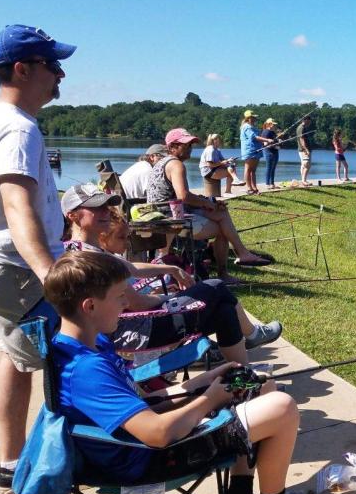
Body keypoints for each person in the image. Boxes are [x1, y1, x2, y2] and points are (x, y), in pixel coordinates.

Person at [44, 250, 301, 494]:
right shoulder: (86, 369)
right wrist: (211, 399)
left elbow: (137, 404)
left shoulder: (87, 344)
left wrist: (200, 384)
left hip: (136, 445)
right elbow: (157, 434)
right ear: (90, 306)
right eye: (119, 297)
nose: (127, 303)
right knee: (282, 406)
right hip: (144, 460)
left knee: (260, 386)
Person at [0, 24, 75, 494]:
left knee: (15, 361)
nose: (59, 75)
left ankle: (10, 462)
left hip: (5, 268)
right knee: (77, 355)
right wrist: (52, 275)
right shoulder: (17, 127)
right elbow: (16, 206)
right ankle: (78, 456)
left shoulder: (1, 118)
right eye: (52, 66)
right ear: (22, 68)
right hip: (21, 273)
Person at [62, 185, 280, 362]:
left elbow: (132, 268)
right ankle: (250, 337)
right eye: (96, 208)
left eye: (106, 206)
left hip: (132, 327)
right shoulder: (92, 259)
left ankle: (242, 376)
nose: (105, 212)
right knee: (215, 287)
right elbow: (137, 303)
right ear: (72, 215)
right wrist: (173, 298)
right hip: (138, 332)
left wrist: (172, 269)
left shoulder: (81, 250)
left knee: (225, 311)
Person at [147, 128, 271, 283]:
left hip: (163, 213)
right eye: (185, 145)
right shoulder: (176, 164)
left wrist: (209, 202)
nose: (190, 149)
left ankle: (242, 254)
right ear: (172, 147)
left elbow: (177, 196)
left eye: (190, 145)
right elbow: (183, 196)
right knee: (223, 230)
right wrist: (207, 203)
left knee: (221, 213)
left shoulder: (162, 163)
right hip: (171, 219)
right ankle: (226, 271)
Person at [240, 110, 270, 194]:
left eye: (255, 117)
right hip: (250, 150)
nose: (255, 119)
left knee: (253, 170)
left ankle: (254, 188)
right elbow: (254, 137)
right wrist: (267, 139)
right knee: (248, 169)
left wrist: (265, 142)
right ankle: (249, 188)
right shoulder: (246, 127)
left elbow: (258, 138)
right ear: (248, 118)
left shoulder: (253, 127)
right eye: (253, 117)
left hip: (257, 150)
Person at [295, 116, 313, 184]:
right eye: (309, 121)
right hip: (303, 150)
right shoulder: (301, 128)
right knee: (307, 164)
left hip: (302, 149)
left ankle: (303, 180)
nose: (309, 123)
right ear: (305, 120)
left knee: (303, 164)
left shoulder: (302, 127)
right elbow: (301, 139)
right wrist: (306, 149)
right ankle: (304, 180)